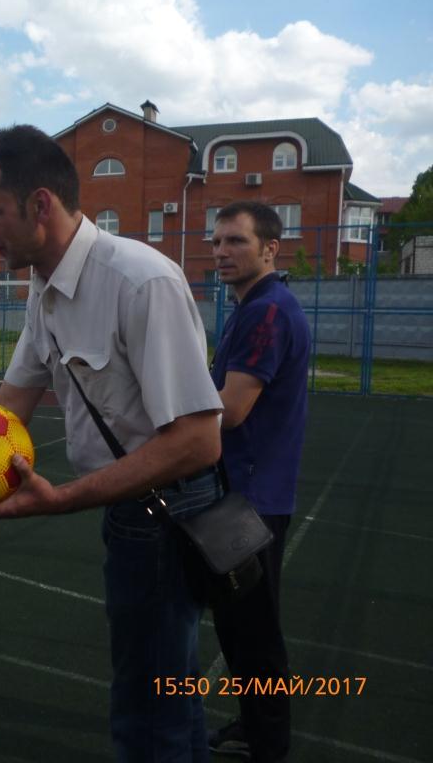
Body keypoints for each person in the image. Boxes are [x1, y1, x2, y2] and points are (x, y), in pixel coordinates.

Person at [0, 124, 224, 759]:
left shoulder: (140, 281)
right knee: (167, 692)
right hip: (134, 511)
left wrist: (64, 499)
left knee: (146, 708)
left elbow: (197, 441)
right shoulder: (44, 286)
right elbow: (7, 406)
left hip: (168, 512)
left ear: (41, 205)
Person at [206, 202, 310, 763]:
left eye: (236, 242)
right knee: (239, 625)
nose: (220, 251)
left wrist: (167, 417)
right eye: (217, 241)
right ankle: (253, 724)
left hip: (251, 498)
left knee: (255, 632)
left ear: (270, 248)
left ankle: (268, 742)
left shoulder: (267, 313)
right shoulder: (253, 309)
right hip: (246, 492)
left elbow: (231, 409)